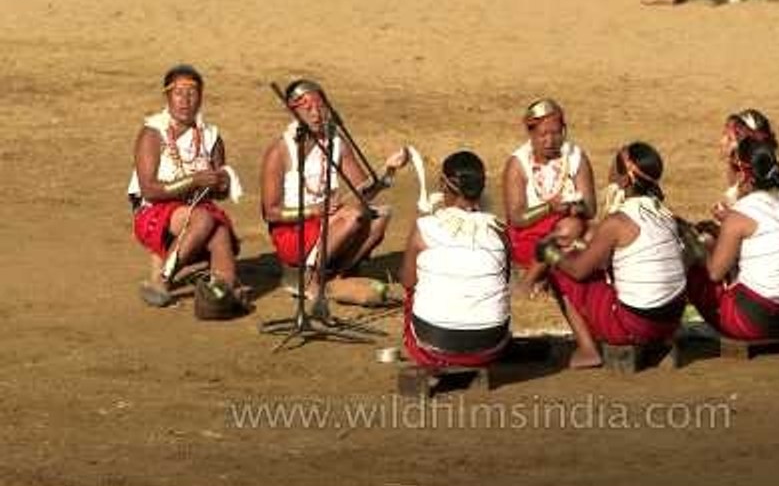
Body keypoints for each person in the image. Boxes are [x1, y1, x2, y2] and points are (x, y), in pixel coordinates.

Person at [259, 78, 409, 311]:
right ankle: (308, 278)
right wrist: (314, 210)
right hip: (293, 231)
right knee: (352, 217)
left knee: (379, 216)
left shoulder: (336, 142)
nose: (316, 114)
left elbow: (363, 192)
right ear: (293, 112)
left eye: (321, 107)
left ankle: (336, 276)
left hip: (327, 222)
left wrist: (388, 171)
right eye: (307, 109)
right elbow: (270, 213)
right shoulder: (279, 150)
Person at [536, 142, 687, 369]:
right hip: (670, 324)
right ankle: (657, 344)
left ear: (625, 180)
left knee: (562, 269)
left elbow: (578, 271)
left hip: (633, 327)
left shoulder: (618, 222)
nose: (610, 172)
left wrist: (549, 253)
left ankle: (588, 350)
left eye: (615, 167)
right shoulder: (667, 215)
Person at [128, 64, 249, 316]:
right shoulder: (152, 133)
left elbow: (217, 192)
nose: (185, 100)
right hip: (154, 210)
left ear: (201, 97)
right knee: (204, 219)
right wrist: (193, 180)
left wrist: (221, 183)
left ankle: (220, 295)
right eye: (178, 93)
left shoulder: (211, 136)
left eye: (192, 93)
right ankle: (161, 280)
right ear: (167, 96)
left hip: (197, 208)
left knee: (220, 231)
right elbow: (149, 191)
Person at [684, 138, 779, 339]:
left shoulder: (741, 212)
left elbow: (714, 273)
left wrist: (695, 244)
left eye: (732, 167)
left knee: (696, 273)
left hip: (755, 320)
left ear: (742, 175)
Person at [399, 151, 511, 368]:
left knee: (412, 292)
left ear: (443, 183)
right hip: (490, 344)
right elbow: (504, 281)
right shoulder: (498, 230)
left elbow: (407, 281)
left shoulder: (425, 227)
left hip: (433, 343)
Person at [502, 98, 596, 297]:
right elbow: (516, 218)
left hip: (570, 231)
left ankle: (551, 276)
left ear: (564, 130)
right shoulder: (517, 164)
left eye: (556, 133)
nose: (550, 141)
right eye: (543, 134)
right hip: (530, 237)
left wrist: (575, 208)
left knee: (595, 236)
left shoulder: (576, 157)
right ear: (531, 133)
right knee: (571, 229)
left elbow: (591, 209)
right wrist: (550, 208)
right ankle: (529, 280)